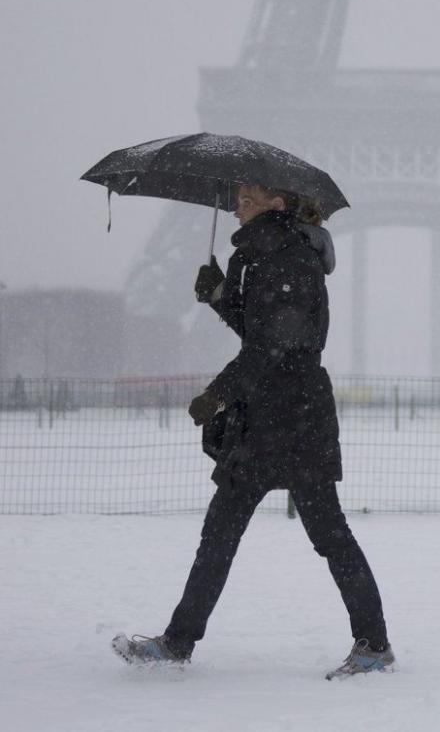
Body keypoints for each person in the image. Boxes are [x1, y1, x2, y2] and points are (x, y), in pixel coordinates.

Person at [112, 184, 394, 679]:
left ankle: (373, 645)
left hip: (294, 420)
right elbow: (263, 331)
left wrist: (217, 393)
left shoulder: (291, 260)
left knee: (327, 537)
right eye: (237, 197)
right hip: (267, 420)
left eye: (247, 199)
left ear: (277, 204)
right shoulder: (266, 257)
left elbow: (274, 348)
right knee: (221, 534)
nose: (235, 206)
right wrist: (221, 295)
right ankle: (179, 641)